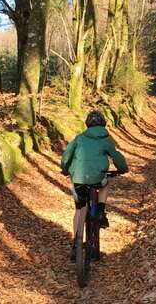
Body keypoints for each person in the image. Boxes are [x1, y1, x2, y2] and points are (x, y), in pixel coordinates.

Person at [60, 110, 128, 261]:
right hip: (98, 178)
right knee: (105, 183)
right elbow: (117, 157)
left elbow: (66, 156)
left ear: (87, 124)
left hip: (78, 179)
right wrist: (122, 169)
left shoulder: (79, 138)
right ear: (103, 124)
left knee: (79, 210)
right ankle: (101, 210)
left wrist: (65, 169)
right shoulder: (106, 139)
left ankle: (76, 244)